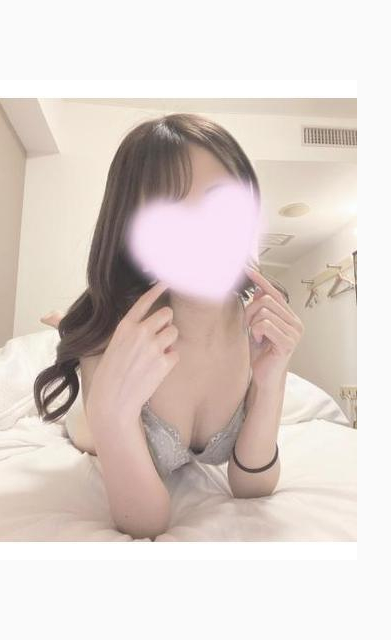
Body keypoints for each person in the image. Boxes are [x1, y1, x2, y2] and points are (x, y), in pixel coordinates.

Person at [34, 114, 304, 540]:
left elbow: (252, 487)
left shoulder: (257, 324)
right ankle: (64, 324)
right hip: (91, 423)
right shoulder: (115, 334)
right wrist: (111, 416)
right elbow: (144, 523)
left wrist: (271, 382)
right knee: (85, 421)